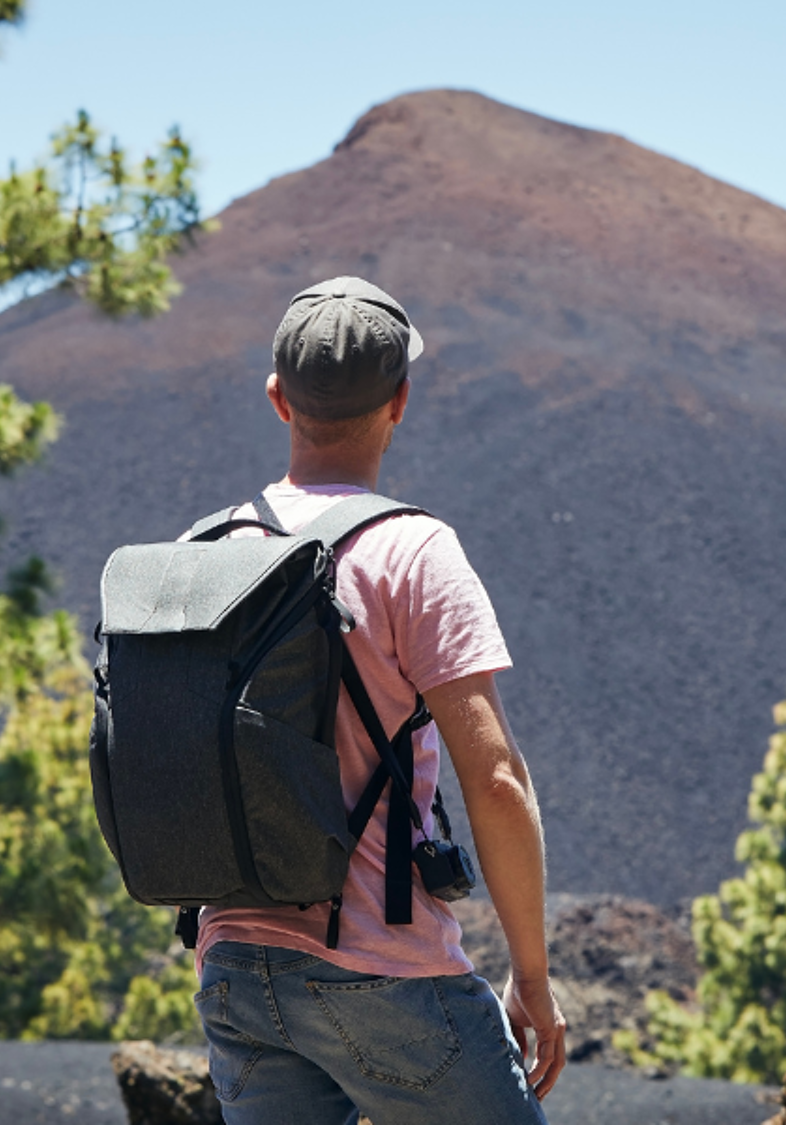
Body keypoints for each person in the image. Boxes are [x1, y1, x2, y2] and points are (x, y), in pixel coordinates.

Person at [188, 277, 565, 1125]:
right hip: (382, 967)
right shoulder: (412, 550)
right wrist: (532, 979)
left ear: (278, 398)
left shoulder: (205, 550)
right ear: (401, 400)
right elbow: (496, 780)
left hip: (234, 967)